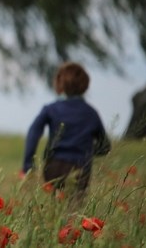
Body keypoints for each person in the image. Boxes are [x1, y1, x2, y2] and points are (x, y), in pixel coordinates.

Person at [21, 61, 111, 199]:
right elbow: (105, 147)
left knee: (55, 209)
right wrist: (86, 151)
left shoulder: (51, 109)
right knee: (75, 209)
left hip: (54, 166)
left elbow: (33, 133)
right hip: (81, 167)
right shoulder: (91, 113)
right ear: (85, 86)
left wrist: (28, 165)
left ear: (59, 84)